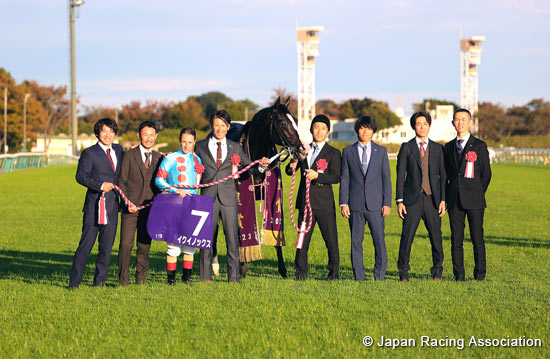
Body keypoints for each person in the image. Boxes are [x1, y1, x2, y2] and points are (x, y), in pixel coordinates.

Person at [195, 110, 269, 283]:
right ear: (211, 126)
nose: (219, 129)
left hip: (229, 198)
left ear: (228, 128)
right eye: (216, 125)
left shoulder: (235, 147)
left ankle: (233, 277)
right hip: (207, 198)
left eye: (223, 125)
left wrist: (261, 166)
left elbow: (248, 165)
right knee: (205, 239)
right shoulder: (200, 146)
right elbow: (189, 164)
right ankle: (204, 276)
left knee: (232, 239)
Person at [285, 114, 341, 281]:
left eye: (323, 128)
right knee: (302, 240)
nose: (319, 131)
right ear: (311, 130)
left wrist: (318, 176)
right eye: (316, 127)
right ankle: (300, 272)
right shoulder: (303, 150)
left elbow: (336, 177)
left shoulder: (333, 152)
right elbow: (290, 172)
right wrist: (291, 165)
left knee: (331, 240)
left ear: (328, 132)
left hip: (324, 203)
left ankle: (333, 273)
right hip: (305, 202)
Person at [69, 118, 123, 288]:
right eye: (104, 131)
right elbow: (81, 176)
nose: (108, 135)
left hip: (113, 206)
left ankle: (100, 281)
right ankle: (74, 282)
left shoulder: (119, 150)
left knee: (107, 247)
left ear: (115, 133)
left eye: (111, 131)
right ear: (98, 133)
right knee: (85, 245)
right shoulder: (89, 153)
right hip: (94, 207)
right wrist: (100, 185)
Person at [395, 111, 446, 282]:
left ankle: (437, 271)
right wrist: (400, 201)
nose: (422, 127)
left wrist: (442, 200)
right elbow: (400, 175)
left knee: (436, 237)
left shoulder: (438, 149)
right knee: (407, 237)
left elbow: (443, 176)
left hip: (432, 199)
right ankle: (403, 272)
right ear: (413, 126)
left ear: (429, 126)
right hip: (411, 200)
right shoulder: (406, 147)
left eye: (425, 123)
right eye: (418, 124)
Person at [339, 116, 391, 281]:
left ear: (373, 131)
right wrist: (343, 202)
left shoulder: (381, 151)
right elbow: (345, 178)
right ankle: (359, 276)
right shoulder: (347, 152)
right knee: (356, 242)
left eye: (368, 128)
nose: (365, 131)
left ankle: (380, 275)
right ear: (357, 130)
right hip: (355, 204)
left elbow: (386, 179)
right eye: (362, 128)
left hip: (376, 205)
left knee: (379, 241)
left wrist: (387, 203)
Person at [444, 108, 492, 281]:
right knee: (456, 240)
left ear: (470, 122)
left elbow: (486, 174)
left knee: (477, 239)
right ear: (453, 123)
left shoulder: (479, 145)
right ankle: (459, 275)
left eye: (464, 119)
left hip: (475, 200)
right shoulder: (448, 147)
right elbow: (447, 174)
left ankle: (480, 274)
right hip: (454, 200)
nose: (460, 122)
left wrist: (477, 191)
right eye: (457, 119)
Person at [155, 127, 202, 285]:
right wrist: (176, 190)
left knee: (190, 243)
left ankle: (186, 278)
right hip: (173, 204)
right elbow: (159, 181)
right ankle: (171, 279)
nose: (186, 145)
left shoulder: (197, 160)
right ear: (179, 141)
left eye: (190, 142)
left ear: (194, 142)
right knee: (173, 243)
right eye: (183, 142)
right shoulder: (170, 158)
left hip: (192, 205)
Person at [117, 121, 162, 286]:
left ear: (156, 136)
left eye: (152, 135)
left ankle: (140, 280)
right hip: (130, 208)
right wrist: (127, 202)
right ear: (139, 135)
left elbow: (162, 183)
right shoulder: (129, 155)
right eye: (145, 134)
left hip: (150, 210)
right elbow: (122, 181)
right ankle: (123, 280)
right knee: (125, 245)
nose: (148, 138)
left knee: (144, 246)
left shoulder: (160, 158)